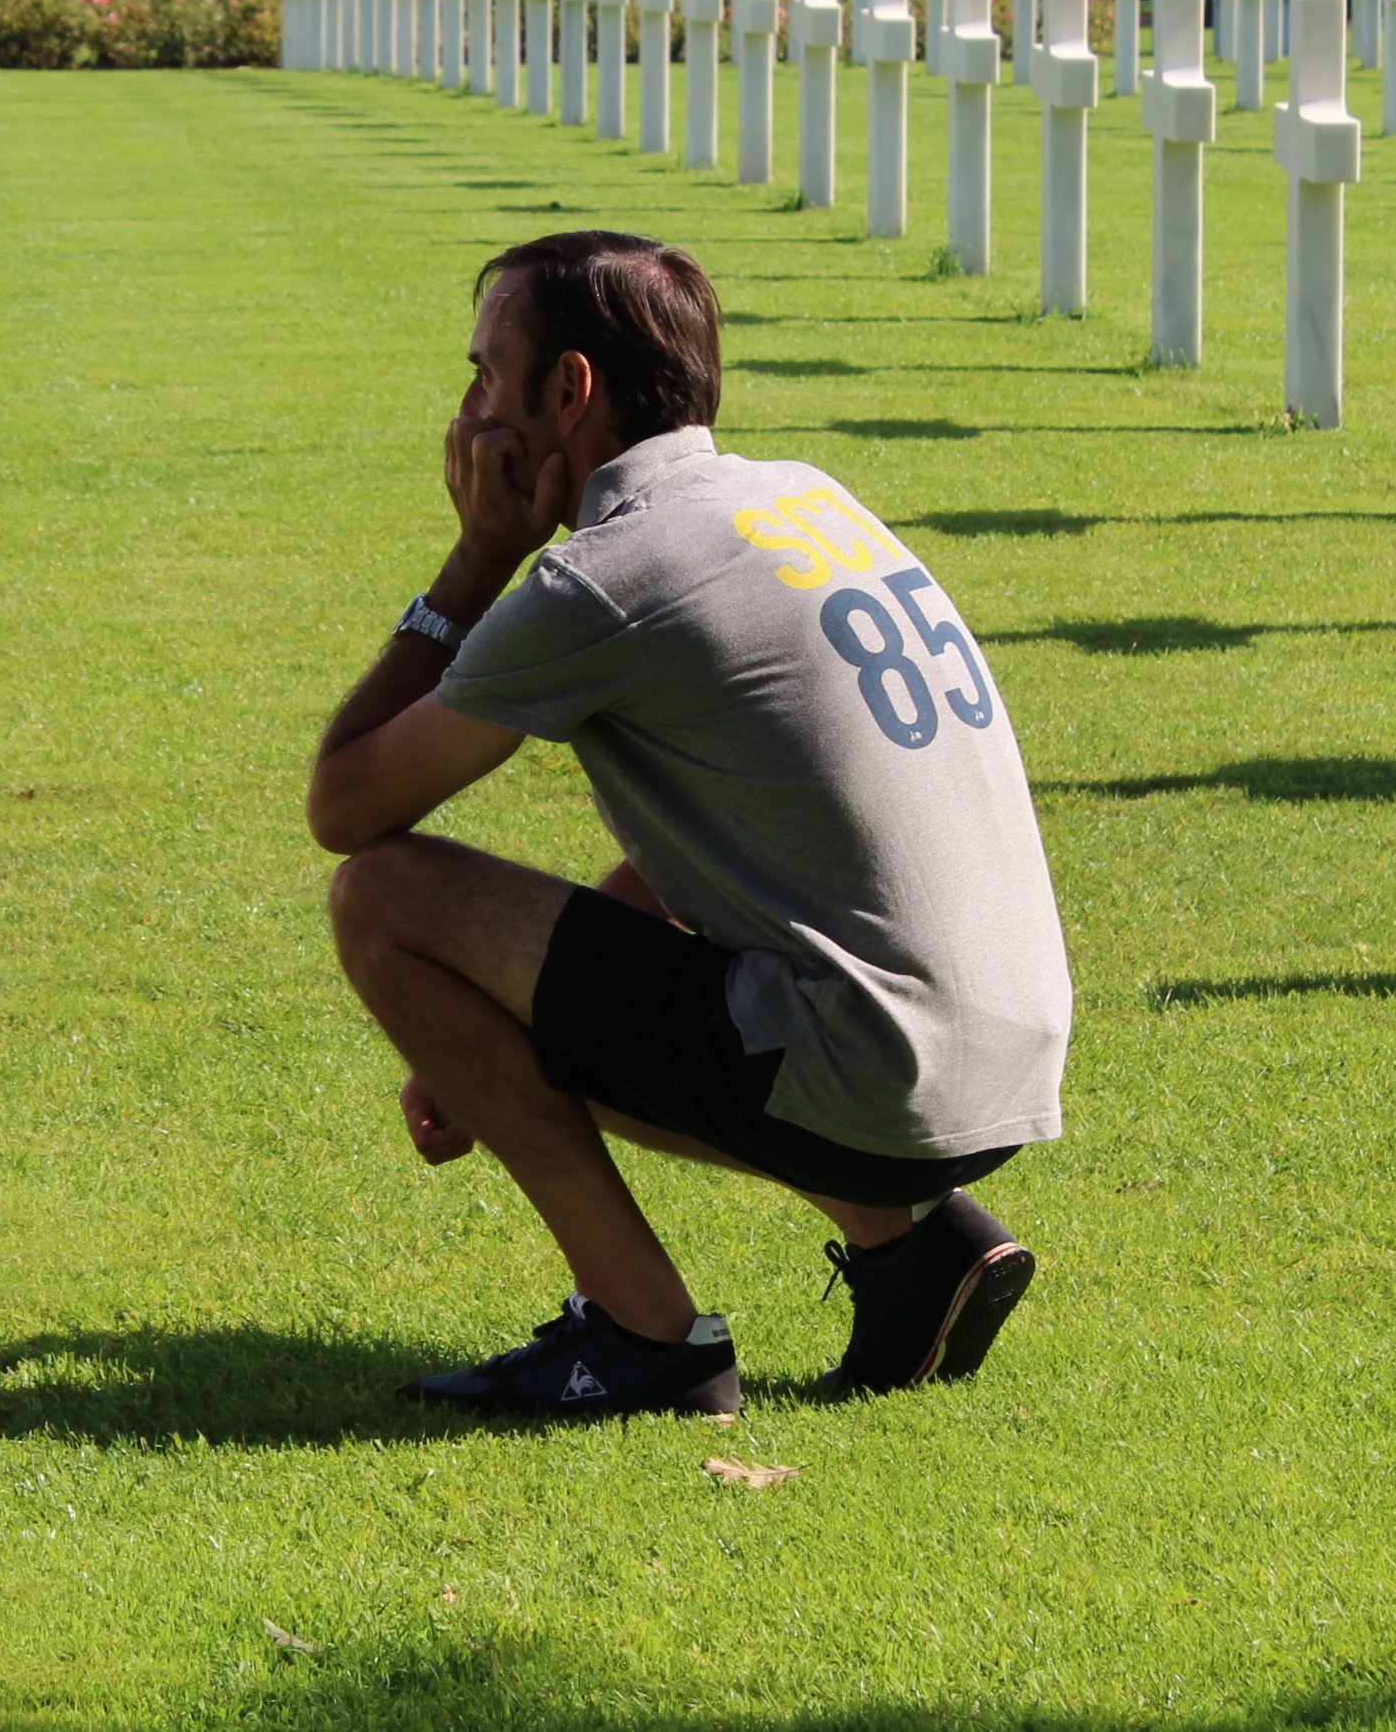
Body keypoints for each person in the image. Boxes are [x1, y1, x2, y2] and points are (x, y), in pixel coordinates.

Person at [309, 229, 1073, 1422]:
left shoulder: (605, 575)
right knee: (664, 964)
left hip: (874, 1071)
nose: (466, 412)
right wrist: (477, 1038)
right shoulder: (806, 496)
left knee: (384, 899)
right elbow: (741, 847)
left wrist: (475, 561)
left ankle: (640, 1336)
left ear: (569, 391)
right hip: (1000, 1063)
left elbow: (349, 807)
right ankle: (905, 1244)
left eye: (484, 373)